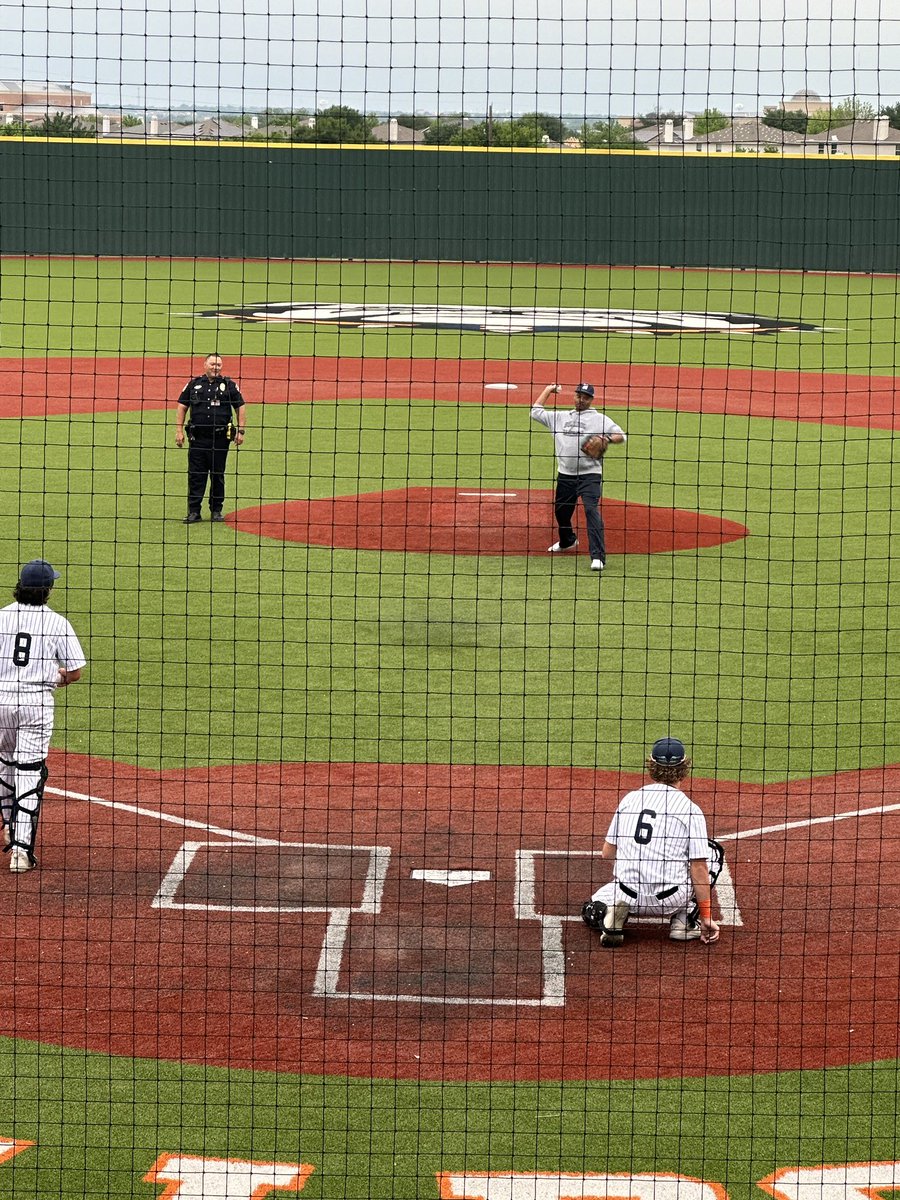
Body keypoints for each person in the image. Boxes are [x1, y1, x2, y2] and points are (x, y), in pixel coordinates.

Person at [581, 737, 723, 947]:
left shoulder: (630, 799)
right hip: (670, 899)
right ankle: (685, 921)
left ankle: (607, 915)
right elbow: (699, 867)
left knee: (590, 908)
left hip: (627, 895)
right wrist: (706, 916)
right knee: (712, 853)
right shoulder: (690, 810)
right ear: (684, 768)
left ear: (651, 767)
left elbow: (607, 853)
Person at [0, 560, 86, 873]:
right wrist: (53, 676)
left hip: (0, 703)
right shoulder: (57, 623)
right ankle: (21, 852)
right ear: (47, 590)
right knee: (29, 771)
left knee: (4, 763)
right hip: (35, 705)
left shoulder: (1, 617)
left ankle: (9, 825)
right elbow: (75, 672)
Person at [531, 381, 626, 572]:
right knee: (562, 513)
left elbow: (621, 435)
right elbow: (535, 412)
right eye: (578, 396)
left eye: (585, 397)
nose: (581, 400)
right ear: (574, 396)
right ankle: (568, 541)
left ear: (591, 400)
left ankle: (598, 557)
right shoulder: (560, 417)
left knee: (591, 511)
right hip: (565, 475)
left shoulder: (599, 419)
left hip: (590, 475)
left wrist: (605, 438)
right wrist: (548, 390)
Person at [175, 353, 247, 523]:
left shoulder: (229, 385)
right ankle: (194, 512)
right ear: (205, 365)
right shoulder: (193, 384)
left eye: (219, 365)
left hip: (220, 439)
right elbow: (182, 406)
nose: (216, 367)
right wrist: (178, 430)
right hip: (197, 439)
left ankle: (216, 511)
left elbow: (240, 406)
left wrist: (241, 431)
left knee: (217, 475)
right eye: (213, 364)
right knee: (196, 475)